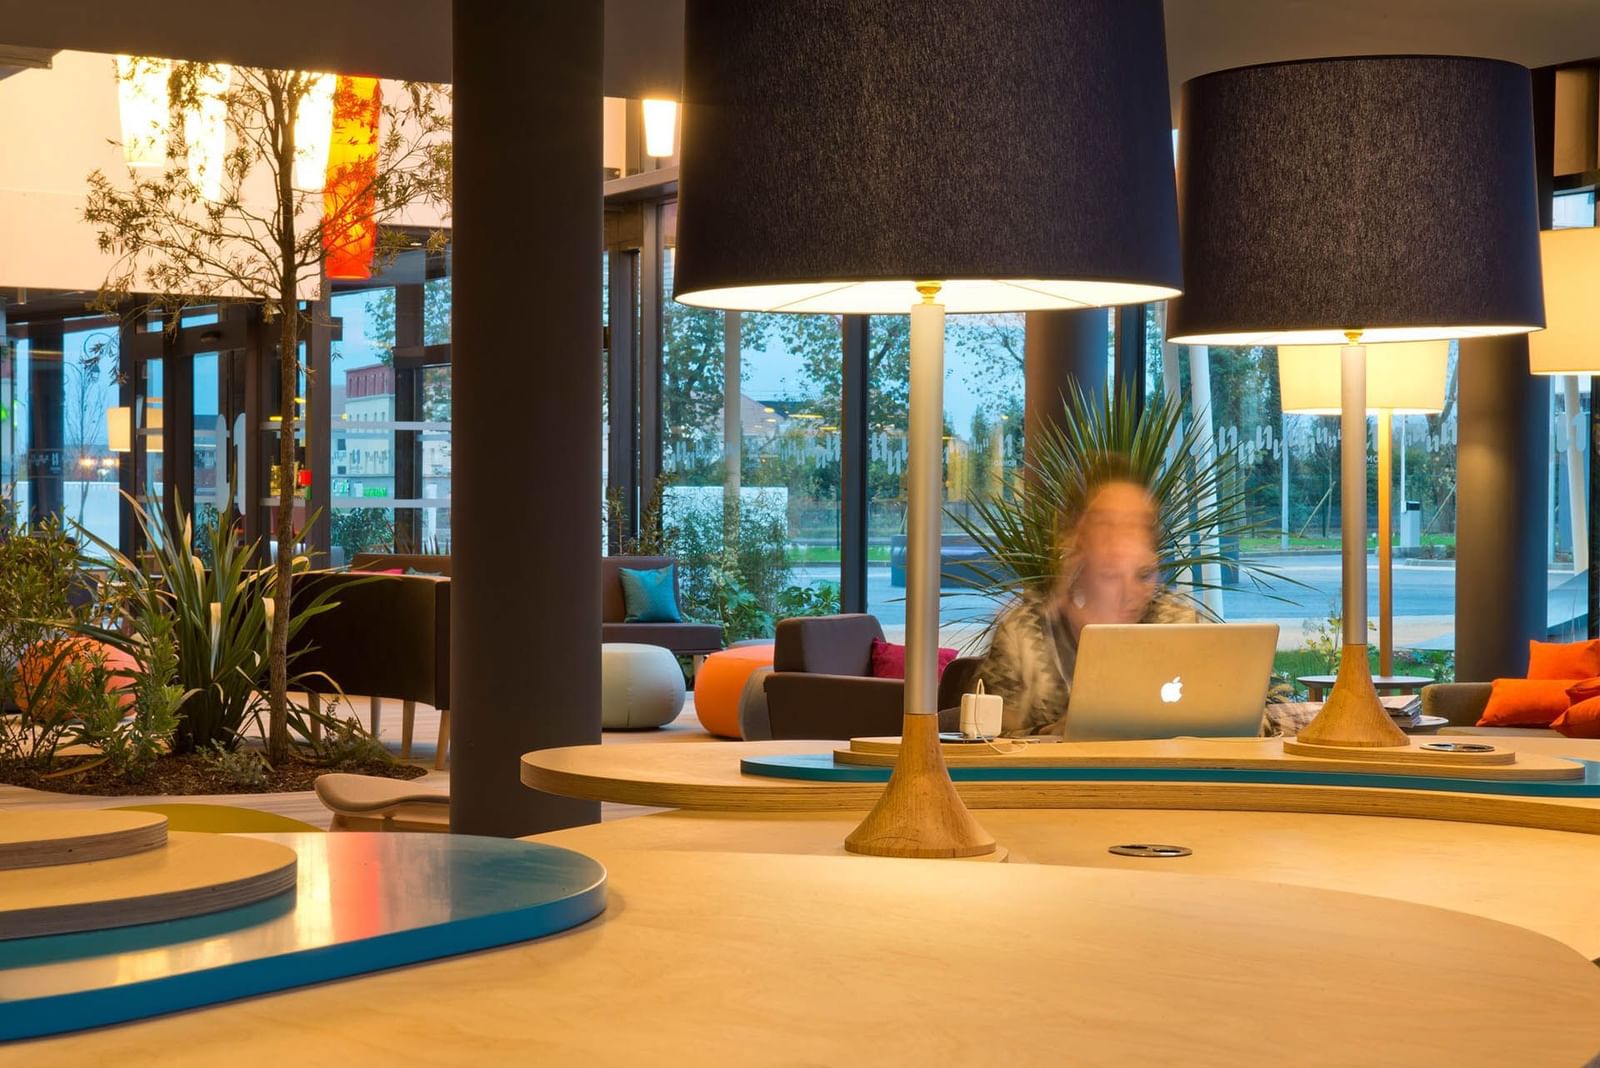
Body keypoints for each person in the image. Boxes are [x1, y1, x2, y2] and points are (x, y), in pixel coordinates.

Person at [977, 472, 1198, 737]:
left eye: (1142, 574)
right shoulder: (1023, 634)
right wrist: (1057, 734)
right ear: (1077, 550)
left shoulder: (1179, 623)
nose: (1130, 592)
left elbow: (1255, 716)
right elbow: (984, 741)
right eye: (1109, 524)